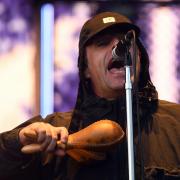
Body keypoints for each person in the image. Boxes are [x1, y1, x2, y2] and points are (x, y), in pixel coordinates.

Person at [0, 11, 179, 180]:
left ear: (140, 57)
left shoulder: (175, 122)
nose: (118, 47)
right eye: (103, 43)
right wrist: (18, 142)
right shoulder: (56, 131)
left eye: (126, 41)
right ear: (85, 68)